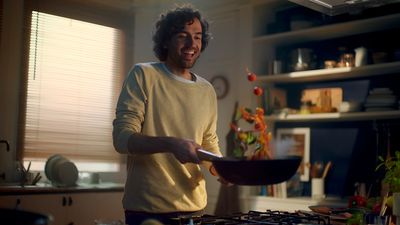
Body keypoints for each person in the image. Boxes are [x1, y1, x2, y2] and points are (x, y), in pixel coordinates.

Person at [112, 4, 224, 225]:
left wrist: (223, 168)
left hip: (195, 210)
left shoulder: (207, 90)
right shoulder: (143, 74)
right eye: (183, 36)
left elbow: (208, 142)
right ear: (165, 40)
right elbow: (122, 139)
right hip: (147, 210)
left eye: (198, 37)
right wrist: (172, 144)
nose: (193, 44)